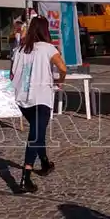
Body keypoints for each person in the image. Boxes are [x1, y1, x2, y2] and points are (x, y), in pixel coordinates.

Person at [10, 16, 67, 194]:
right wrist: (60, 81)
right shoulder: (48, 48)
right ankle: (25, 176)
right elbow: (63, 68)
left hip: (23, 98)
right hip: (41, 97)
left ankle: (44, 162)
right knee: (35, 134)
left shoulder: (20, 49)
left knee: (37, 130)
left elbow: (12, 73)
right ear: (45, 30)